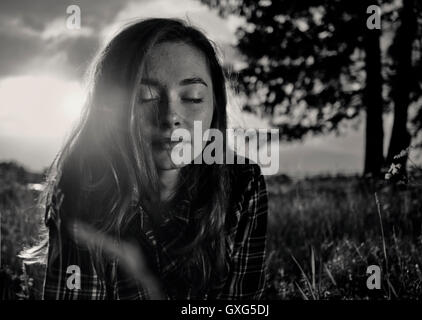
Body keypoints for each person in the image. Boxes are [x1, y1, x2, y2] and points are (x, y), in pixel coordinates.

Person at [22, 18, 268, 300]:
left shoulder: (242, 183)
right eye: (146, 96)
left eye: (192, 97)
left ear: (216, 106)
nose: (170, 117)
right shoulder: (82, 190)